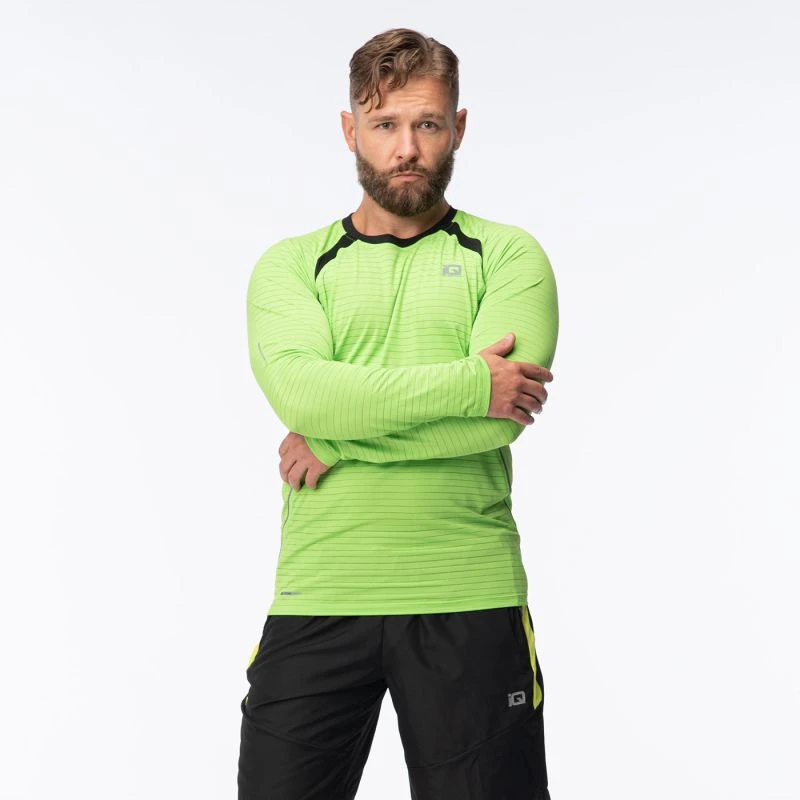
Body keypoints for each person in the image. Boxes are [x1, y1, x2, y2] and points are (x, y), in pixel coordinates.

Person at [238, 27, 559, 800]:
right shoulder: (293, 266)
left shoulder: (508, 256)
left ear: (459, 127)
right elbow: (305, 396)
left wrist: (336, 442)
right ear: (351, 129)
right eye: (384, 124)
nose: (407, 147)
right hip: (320, 596)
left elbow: (499, 417)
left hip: (469, 596)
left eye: (428, 123)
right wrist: (469, 383)